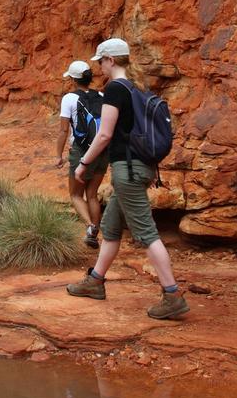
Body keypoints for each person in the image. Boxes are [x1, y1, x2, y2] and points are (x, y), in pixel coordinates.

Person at [65, 38, 188, 320]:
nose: (99, 66)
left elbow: (105, 134)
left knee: (146, 233)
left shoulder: (115, 90)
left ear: (109, 59)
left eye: (100, 61)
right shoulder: (135, 87)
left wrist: (83, 164)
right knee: (110, 227)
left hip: (128, 170)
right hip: (140, 167)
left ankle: (172, 295)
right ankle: (95, 281)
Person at [56, 60, 109, 248]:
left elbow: (63, 130)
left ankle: (90, 227)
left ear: (73, 79)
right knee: (92, 194)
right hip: (102, 150)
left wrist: (58, 156)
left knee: (76, 195)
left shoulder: (69, 99)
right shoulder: (102, 95)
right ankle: (94, 234)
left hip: (81, 150)